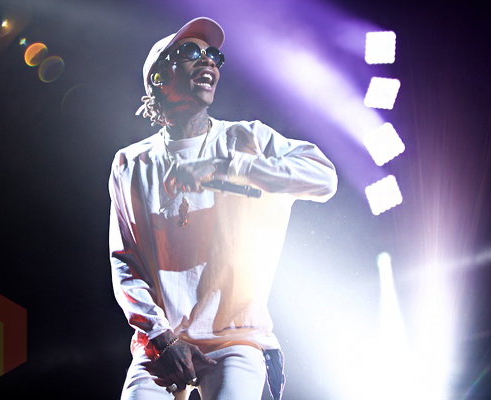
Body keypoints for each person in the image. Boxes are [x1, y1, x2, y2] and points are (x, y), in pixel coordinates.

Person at [108, 17, 337, 400]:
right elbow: (125, 264)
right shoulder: (130, 164)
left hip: (236, 339)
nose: (208, 61)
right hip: (162, 344)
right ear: (158, 79)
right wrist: (162, 338)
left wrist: (232, 167)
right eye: (190, 52)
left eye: (214, 55)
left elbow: (324, 178)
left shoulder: (245, 139)